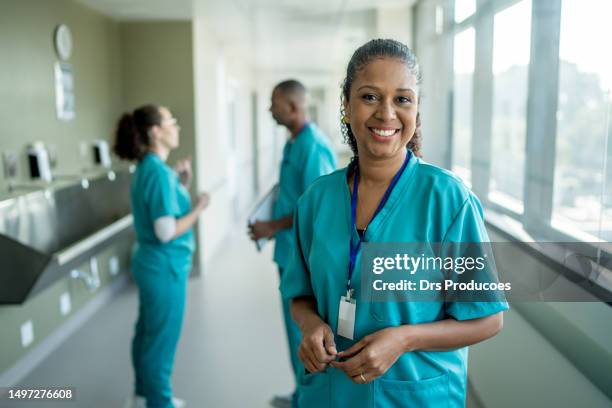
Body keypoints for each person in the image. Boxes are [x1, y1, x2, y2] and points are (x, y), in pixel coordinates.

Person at [280, 39, 508, 407]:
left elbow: (488, 319)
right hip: (330, 395)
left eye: (402, 99)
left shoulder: (448, 200)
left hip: (414, 396)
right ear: (346, 106)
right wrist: (309, 325)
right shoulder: (315, 201)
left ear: (416, 112)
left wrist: (404, 339)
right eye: (370, 97)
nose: (386, 114)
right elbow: (299, 295)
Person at [114, 104, 210, 408]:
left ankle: (143, 395)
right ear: (155, 132)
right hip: (164, 267)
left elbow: (163, 208)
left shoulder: (153, 168)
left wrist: (181, 183)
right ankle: (159, 402)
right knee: (161, 341)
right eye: (172, 121)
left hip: (153, 264)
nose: (177, 127)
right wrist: (198, 208)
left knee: (147, 333)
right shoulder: (156, 172)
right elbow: (165, 230)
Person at [248, 80, 337, 407]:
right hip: (287, 251)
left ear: (293, 107)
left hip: (303, 257)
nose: (270, 108)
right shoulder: (294, 143)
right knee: (292, 333)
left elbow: (317, 208)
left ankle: (312, 398)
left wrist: (272, 224)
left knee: (305, 333)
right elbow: (291, 196)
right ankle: (302, 394)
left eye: (275, 102)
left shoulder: (313, 146)